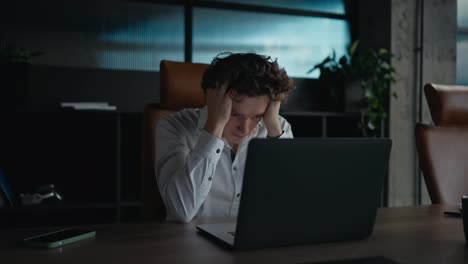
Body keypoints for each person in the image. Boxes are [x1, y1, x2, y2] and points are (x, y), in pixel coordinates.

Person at [155, 52, 295, 223]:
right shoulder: (174, 127)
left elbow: (293, 204)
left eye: (257, 116)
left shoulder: (277, 128)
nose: (245, 128)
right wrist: (215, 124)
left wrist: (273, 127)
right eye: (235, 114)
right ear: (213, 98)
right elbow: (181, 211)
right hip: (190, 244)